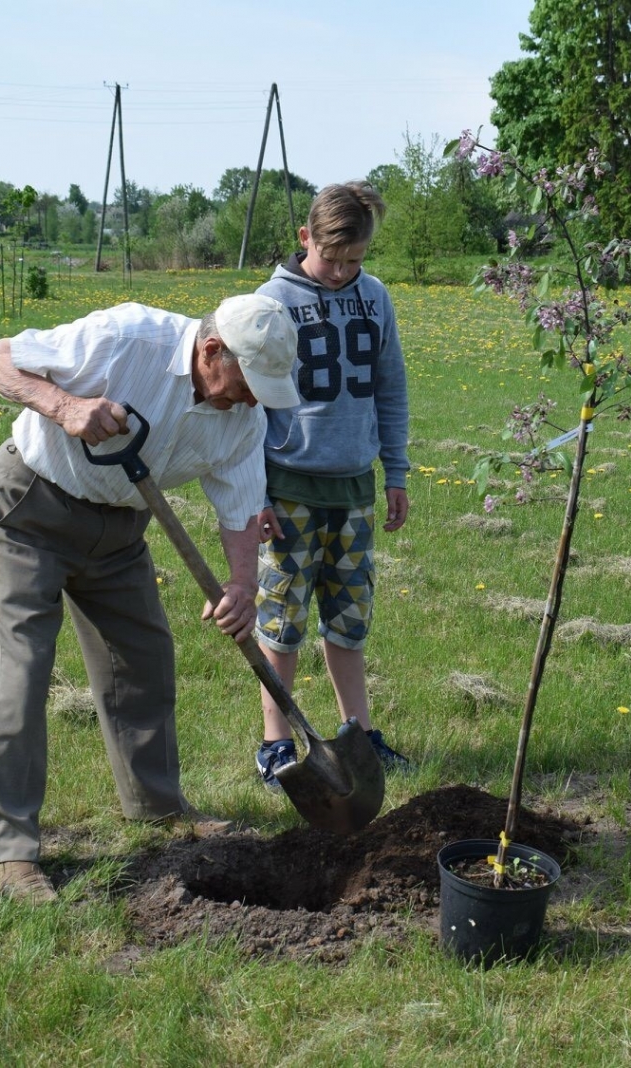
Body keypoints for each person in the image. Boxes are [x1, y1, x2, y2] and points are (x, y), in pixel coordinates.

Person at [0, 293, 300, 903]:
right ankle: (13, 850)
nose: (253, 398)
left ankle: (157, 809)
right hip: (31, 511)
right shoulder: (128, 339)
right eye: (249, 382)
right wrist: (64, 405)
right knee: (25, 672)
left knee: (144, 662)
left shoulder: (242, 418)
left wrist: (241, 587)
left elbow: (238, 507)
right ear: (210, 352)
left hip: (120, 531)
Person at [249, 181, 412, 789]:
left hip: (355, 490)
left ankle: (359, 737)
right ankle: (277, 744)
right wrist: (256, 495)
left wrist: (394, 472)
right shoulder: (270, 303)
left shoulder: (376, 298)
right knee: (282, 620)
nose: (343, 272)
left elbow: (390, 389)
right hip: (288, 488)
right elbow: (247, 413)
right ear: (304, 239)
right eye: (332, 257)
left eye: (356, 260)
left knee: (350, 619)